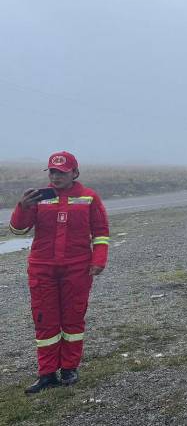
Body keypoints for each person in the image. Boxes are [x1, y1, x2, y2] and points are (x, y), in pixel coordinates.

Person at [8, 152, 110, 393]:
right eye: (52, 171)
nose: (56, 176)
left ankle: (69, 368)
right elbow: (17, 230)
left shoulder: (89, 197)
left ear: (74, 173)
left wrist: (99, 260)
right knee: (45, 320)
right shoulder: (39, 198)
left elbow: (101, 231)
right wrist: (23, 207)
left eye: (62, 172)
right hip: (42, 269)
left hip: (77, 268)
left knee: (72, 319)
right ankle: (46, 374)